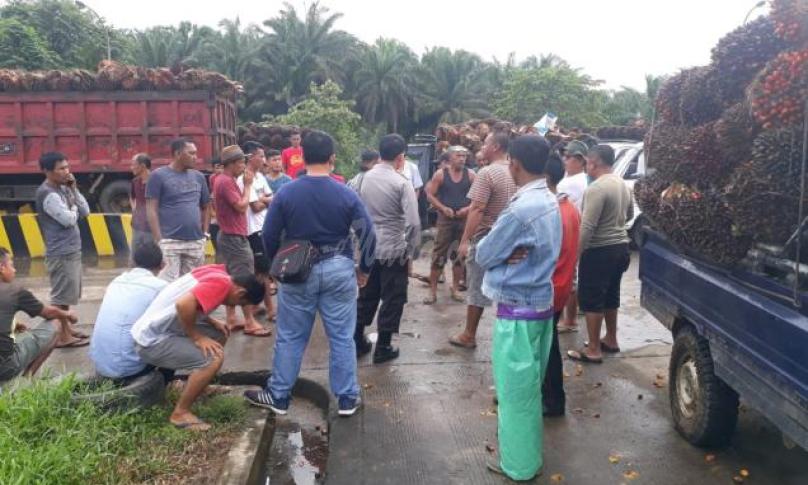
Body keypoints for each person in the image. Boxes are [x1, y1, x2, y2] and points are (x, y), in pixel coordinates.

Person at [245, 130, 376, 417]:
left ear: (301, 156)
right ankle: (347, 398)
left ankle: (278, 396)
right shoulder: (345, 193)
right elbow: (368, 235)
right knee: (342, 337)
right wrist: (363, 270)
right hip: (339, 269)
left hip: (296, 271)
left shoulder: (286, 193)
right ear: (332, 158)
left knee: (291, 336)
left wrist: (274, 266)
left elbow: (268, 234)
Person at [475, 135, 561, 482]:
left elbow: (483, 254)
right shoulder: (550, 199)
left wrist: (500, 255)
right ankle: (525, 457)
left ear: (514, 164)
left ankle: (519, 466)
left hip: (518, 314)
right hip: (541, 306)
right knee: (528, 390)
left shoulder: (521, 208)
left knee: (514, 396)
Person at [131, 264, 265, 430]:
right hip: (151, 340)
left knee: (219, 333)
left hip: (160, 329)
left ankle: (200, 386)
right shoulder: (222, 285)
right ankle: (180, 414)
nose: (235, 306)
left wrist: (210, 321)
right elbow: (183, 304)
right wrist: (197, 337)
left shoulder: (219, 272)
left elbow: (194, 299)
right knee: (213, 359)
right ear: (241, 293)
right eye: (239, 303)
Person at [354, 134, 420, 364]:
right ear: (401, 158)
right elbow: (413, 223)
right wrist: (410, 252)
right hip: (394, 249)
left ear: (380, 153)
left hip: (367, 249)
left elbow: (351, 212)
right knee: (393, 298)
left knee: (366, 294)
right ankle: (383, 346)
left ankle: (357, 340)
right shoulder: (401, 183)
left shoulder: (360, 180)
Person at [449, 132, 517, 349]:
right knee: (508, 287)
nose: (482, 147)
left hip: (486, 235)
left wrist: (465, 240)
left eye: (486, 143)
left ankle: (469, 334)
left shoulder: (487, 173)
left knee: (477, 284)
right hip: (510, 236)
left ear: (495, 147)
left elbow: (478, 208)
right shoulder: (516, 171)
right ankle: (508, 335)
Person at [567, 145, 633, 364]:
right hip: (621, 247)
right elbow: (630, 214)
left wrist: (575, 255)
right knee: (610, 294)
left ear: (593, 162)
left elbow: (587, 226)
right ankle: (611, 339)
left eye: (587, 163)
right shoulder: (622, 184)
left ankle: (593, 348)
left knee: (591, 298)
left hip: (600, 250)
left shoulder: (596, 188)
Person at [211, 145, 272, 338]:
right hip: (234, 237)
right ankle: (249, 322)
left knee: (232, 277)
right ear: (234, 163)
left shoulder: (224, 180)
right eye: (242, 162)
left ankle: (231, 318)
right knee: (245, 278)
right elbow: (241, 206)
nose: (244, 166)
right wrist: (247, 185)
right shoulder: (226, 182)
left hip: (230, 235)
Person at [35, 152, 90, 347]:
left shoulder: (64, 189)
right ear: (47, 171)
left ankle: (67, 329)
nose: (66, 172)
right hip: (60, 252)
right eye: (61, 168)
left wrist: (74, 190)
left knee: (67, 295)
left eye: (67, 167)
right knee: (60, 297)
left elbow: (86, 211)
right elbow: (68, 220)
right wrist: (73, 207)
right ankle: (62, 337)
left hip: (71, 249)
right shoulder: (48, 193)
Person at [90, 241, 168, 380]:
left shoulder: (116, 281)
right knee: (174, 334)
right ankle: (164, 385)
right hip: (129, 369)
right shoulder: (161, 287)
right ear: (162, 265)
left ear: (131, 262)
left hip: (100, 365)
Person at [0, 247, 80, 382]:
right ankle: (26, 382)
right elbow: (49, 313)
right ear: (2, 267)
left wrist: (15, 324)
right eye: (12, 265)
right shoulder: (14, 291)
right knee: (56, 324)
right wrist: (67, 314)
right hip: (5, 367)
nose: (15, 270)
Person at [543, 153, 581, 417]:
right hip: (562, 284)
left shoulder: (551, 210)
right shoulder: (568, 207)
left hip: (550, 288)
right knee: (548, 343)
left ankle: (554, 400)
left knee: (546, 347)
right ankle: (551, 398)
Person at [146, 138, 211, 281]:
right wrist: (159, 240)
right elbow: (151, 209)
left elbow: (206, 206)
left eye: (196, 153)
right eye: (191, 153)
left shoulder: (199, 177)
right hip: (169, 242)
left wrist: (205, 233)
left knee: (190, 286)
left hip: (195, 241)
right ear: (177, 154)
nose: (196, 157)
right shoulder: (158, 176)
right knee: (167, 286)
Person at [424, 146, 475, 304]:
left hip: (463, 220)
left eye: (464, 156)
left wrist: (467, 209)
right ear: (450, 157)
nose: (462, 158)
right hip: (445, 220)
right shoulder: (441, 174)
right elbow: (430, 195)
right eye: (458, 155)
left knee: (459, 256)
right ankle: (432, 291)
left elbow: (478, 198)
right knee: (439, 255)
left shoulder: (471, 175)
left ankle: (455, 287)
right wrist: (442, 208)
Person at [238, 141, 277, 326]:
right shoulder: (244, 179)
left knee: (263, 271)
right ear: (250, 157)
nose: (264, 160)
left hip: (264, 227)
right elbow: (255, 207)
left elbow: (272, 197)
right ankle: (270, 310)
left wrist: (264, 200)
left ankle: (258, 305)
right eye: (261, 156)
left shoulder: (260, 177)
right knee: (262, 273)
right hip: (253, 231)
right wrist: (266, 200)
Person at [557, 140, 588, 332]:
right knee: (572, 275)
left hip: (567, 233)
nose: (564, 160)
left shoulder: (570, 183)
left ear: (578, 160)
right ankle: (570, 319)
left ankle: (567, 319)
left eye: (567, 157)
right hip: (576, 232)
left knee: (566, 277)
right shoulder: (585, 180)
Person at [130, 153, 153, 251]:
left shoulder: (156, 182)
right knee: (134, 258)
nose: (131, 168)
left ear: (142, 166)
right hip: (137, 227)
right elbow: (132, 197)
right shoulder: (135, 182)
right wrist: (134, 210)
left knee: (152, 259)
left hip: (152, 229)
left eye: (134, 164)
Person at [209, 158, 224, 244]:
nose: (220, 170)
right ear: (213, 169)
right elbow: (211, 195)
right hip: (215, 217)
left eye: (222, 167)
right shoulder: (212, 178)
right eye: (218, 167)